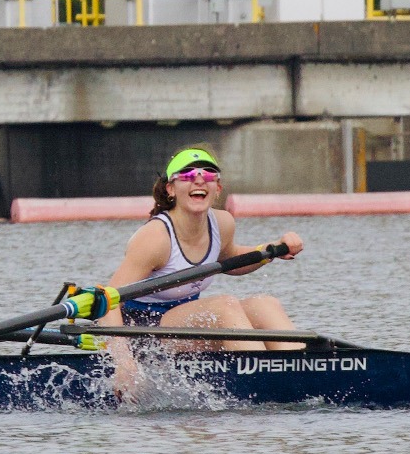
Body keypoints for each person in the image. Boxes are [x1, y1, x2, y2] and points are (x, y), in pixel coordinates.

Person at [93, 147, 304, 351]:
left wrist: (270, 250)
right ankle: (258, 369)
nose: (199, 179)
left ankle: (300, 365)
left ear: (217, 189)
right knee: (224, 307)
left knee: (266, 305)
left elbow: (230, 258)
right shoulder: (156, 237)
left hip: (183, 319)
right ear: (171, 189)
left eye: (209, 174)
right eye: (187, 174)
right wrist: (124, 362)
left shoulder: (222, 223)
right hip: (142, 331)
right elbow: (108, 301)